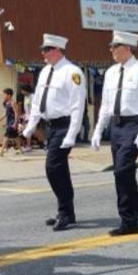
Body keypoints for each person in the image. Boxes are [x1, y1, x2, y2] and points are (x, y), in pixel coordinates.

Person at [90, 30, 138, 235]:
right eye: (111, 46)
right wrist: (98, 130)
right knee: (122, 174)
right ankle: (128, 220)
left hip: (133, 125)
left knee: (122, 170)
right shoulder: (111, 72)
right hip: (116, 126)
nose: (111, 50)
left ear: (127, 47)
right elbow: (105, 105)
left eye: (115, 46)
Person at [22, 34, 87, 232]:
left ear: (57, 50)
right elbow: (37, 102)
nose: (43, 53)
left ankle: (66, 212)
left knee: (53, 167)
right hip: (51, 126)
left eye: (46, 49)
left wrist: (72, 134)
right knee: (60, 170)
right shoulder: (45, 72)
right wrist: (30, 126)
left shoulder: (72, 72)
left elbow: (78, 106)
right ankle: (66, 212)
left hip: (65, 125)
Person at [0, 88, 22, 157]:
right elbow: (6, 114)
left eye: (4, 94)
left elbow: (16, 113)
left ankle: (1, 151)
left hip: (12, 122)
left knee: (6, 136)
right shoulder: (7, 103)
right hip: (9, 122)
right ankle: (20, 150)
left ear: (9, 95)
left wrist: (15, 123)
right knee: (16, 137)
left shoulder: (13, 103)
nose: (3, 96)